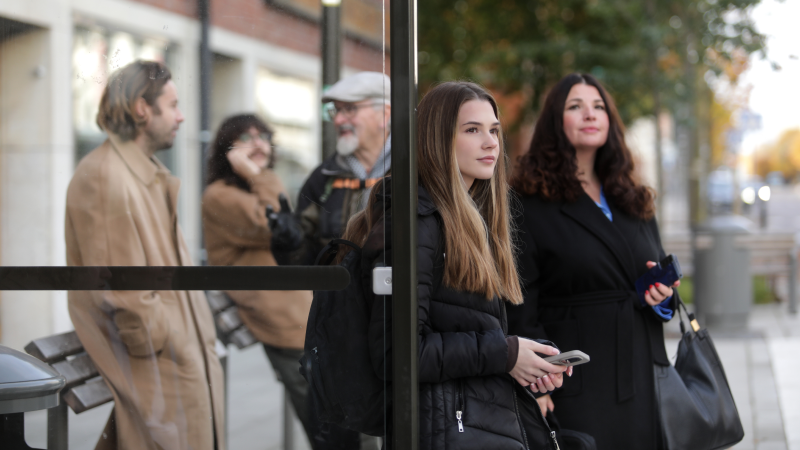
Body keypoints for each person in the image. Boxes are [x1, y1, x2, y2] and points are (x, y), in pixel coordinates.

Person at [341, 81, 569, 448]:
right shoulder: (418, 224)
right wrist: (505, 353)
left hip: (468, 420)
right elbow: (398, 355)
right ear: (438, 139)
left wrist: (526, 357)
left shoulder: (468, 217)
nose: (491, 142)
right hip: (438, 429)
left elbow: (461, 325)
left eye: (494, 130)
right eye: (472, 130)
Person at [507, 73, 680, 450]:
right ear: (556, 120)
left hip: (641, 373)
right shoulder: (529, 203)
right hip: (574, 381)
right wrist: (535, 387)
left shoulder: (632, 198)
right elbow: (520, 302)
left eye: (598, 106)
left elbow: (653, 279)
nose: (590, 114)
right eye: (576, 106)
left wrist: (662, 296)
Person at [65, 60, 225, 450]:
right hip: (159, 370)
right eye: (172, 105)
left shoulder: (140, 172)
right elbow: (124, 292)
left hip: (172, 365)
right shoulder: (106, 176)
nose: (181, 116)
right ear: (141, 108)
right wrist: (177, 346)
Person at [201, 114, 313, 439]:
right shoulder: (219, 196)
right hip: (282, 321)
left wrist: (258, 177)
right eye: (246, 138)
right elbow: (273, 223)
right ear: (228, 150)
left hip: (299, 314)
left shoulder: (257, 186)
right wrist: (259, 174)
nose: (259, 143)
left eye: (263, 135)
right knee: (322, 417)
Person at [270, 71, 392, 266]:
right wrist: (289, 243)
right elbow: (305, 263)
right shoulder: (323, 177)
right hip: (340, 295)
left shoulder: (416, 170)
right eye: (336, 110)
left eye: (350, 109)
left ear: (384, 115)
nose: (338, 121)